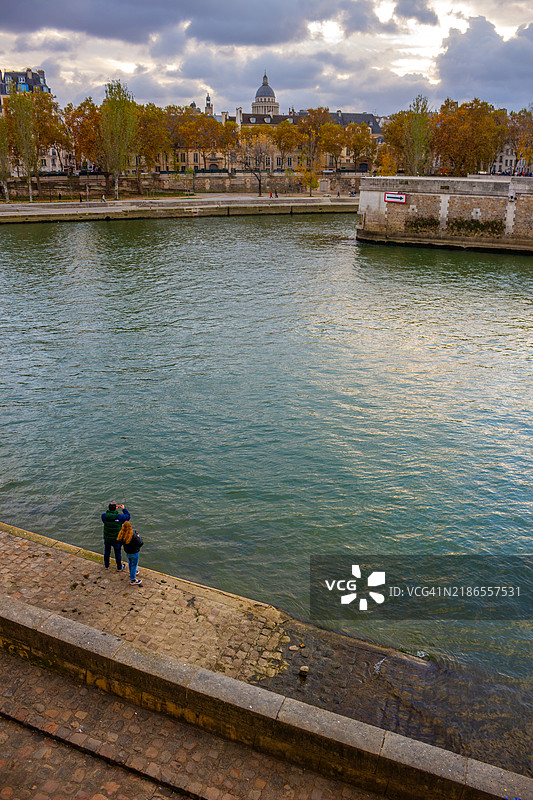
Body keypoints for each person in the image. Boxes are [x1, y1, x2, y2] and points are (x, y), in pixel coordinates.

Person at [101, 502, 130, 571]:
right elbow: (128, 517)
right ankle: (119, 567)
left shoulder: (104, 516)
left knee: (107, 552)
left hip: (107, 538)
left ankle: (106, 565)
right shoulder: (120, 517)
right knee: (117, 553)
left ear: (108, 507)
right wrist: (124, 509)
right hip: (117, 539)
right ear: (116, 508)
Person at [117, 520, 144, 586]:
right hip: (134, 552)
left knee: (130, 562)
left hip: (127, 552)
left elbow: (120, 542)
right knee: (134, 564)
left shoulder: (121, 534)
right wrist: (138, 537)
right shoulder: (133, 535)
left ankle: (133, 572)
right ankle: (133, 579)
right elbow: (141, 543)